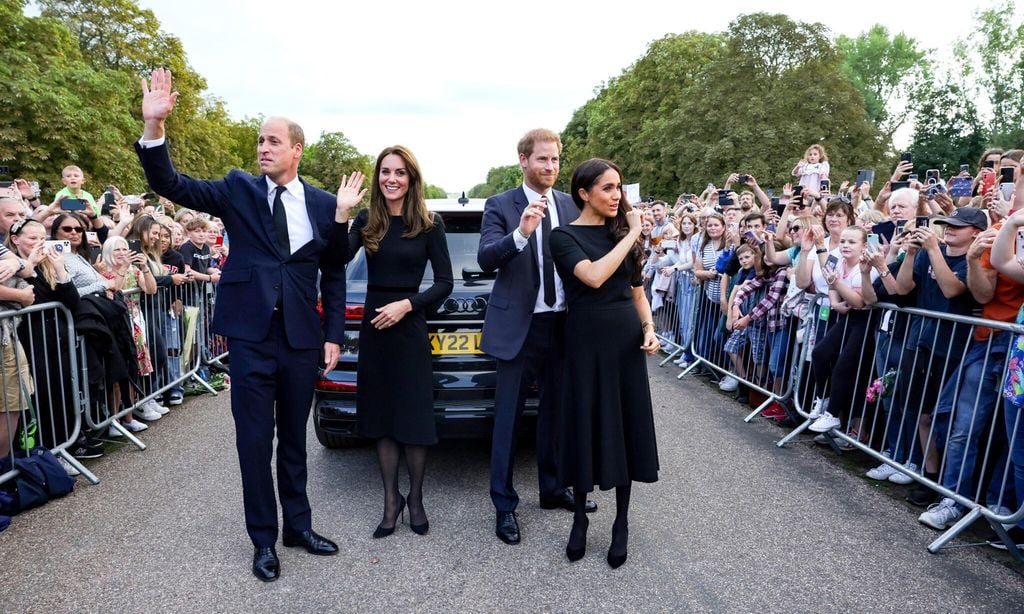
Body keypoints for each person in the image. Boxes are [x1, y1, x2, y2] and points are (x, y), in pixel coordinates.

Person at [134, 68, 347, 582]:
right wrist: (154, 129)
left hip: (301, 339)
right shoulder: (237, 190)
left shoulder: (322, 204)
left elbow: (334, 272)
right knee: (254, 441)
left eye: (273, 141)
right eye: (259, 140)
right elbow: (170, 183)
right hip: (251, 338)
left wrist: (334, 336)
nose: (262, 148)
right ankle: (263, 540)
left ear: (298, 149)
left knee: (295, 439)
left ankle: (299, 526)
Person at [477, 128, 596, 546]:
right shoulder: (500, 205)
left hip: (562, 325)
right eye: (542, 159)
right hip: (518, 329)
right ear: (523, 161)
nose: (550, 167)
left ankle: (551, 488)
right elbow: (486, 257)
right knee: (508, 419)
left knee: (556, 414)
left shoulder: (570, 204)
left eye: (556, 160)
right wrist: (522, 233)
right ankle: (504, 505)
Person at [333, 146, 453, 539]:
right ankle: (390, 501)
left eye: (400, 173)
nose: (392, 179)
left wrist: (407, 304)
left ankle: (415, 499)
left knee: (414, 419)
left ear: (411, 179)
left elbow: (444, 283)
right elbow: (334, 260)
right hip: (375, 330)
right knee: (383, 419)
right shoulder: (368, 220)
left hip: (409, 326)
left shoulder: (430, 224)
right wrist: (343, 214)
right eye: (385, 172)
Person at [549, 158, 659, 569]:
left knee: (625, 426)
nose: (617, 196)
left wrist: (649, 328)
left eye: (619, 188)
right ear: (584, 193)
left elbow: (637, 293)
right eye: (608, 188)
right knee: (585, 424)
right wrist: (631, 235)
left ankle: (622, 523)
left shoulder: (621, 235)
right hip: (583, 341)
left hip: (624, 341)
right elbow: (593, 277)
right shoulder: (563, 236)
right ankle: (579, 518)